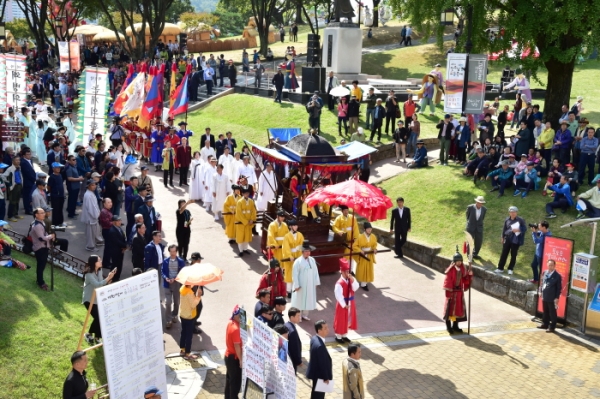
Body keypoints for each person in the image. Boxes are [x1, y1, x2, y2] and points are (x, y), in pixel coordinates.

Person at [82, 255, 116, 344]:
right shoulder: (89, 274)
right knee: (98, 317)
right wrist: (108, 278)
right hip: (89, 300)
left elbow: (101, 284)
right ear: (94, 263)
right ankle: (88, 334)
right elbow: (97, 284)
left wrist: (108, 281)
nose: (101, 261)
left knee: (101, 318)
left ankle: (97, 337)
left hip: (97, 300)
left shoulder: (99, 271)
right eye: (99, 260)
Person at [443, 249, 473, 334]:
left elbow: (466, 279)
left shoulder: (463, 269)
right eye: (457, 261)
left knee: (458, 310)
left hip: (459, 293)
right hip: (451, 293)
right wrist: (449, 293)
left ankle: (455, 326)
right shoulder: (450, 270)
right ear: (454, 261)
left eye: (460, 261)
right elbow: (447, 281)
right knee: (449, 311)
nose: (459, 263)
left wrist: (470, 275)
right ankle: (448, 327)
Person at [291, 240, 321, 321]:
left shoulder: (312, 260)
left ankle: (305, 314)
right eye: (306, 251)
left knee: (309, 298)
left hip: (310, 284)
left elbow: (315, 271)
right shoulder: (298, 262)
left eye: (309, 251)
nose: (308, 253)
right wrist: (296, 285)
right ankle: (299, 315)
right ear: (302, 251)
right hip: (301, 284)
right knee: (300, 299)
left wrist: (316, 282)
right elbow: (295, 274)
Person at [333, 259, 359, 344]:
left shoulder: (349, 280)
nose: (347, 273)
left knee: (347, 319)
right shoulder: (339, 283)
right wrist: (344, 305)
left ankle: (344, 334)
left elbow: (355, 287)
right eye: (345, 271)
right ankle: (338, 336)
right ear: (341, 271)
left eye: (348, 271)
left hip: (350, 302)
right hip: (343, 304)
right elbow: (338, 295)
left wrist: (353, 279)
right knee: (341, 319)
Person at [495, 206, 526, 275]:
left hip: (516, 239)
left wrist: (519, 230)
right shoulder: (507, 220)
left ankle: (510, 268)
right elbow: (504, 229)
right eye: (511, 212)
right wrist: (502, 237)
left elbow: (524, 228)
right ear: (509, 213)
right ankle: (500, 268)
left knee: (513, 254)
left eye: (514, 212)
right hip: (507, 238)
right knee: (504, 253)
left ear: (516, 212)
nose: (513, 213)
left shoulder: (520, 220)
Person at [306, 320, 333, 399]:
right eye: (325, 328)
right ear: (319, 330)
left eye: (327, 327)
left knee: (315, 393)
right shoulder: (320, 346)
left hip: (315, 373)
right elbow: (322, 364)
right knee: (319, 396)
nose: (328, 329)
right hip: (320, 375)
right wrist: (326, 377)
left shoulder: (314, 338)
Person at [30, 208, 55, 290]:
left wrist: (51, 237)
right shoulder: (37, 225)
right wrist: (51, 236)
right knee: (41, 266)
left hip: (44, 247)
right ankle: (40, 282)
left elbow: (45, 233)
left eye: (44, 212)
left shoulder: (42, 222)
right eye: (41, 213)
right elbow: (41, 238)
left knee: (42, 265)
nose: (44, 214)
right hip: (40, 248)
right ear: (36, 215)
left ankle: (40, 280)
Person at [163, 244, 185, 329]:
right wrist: (166, 278)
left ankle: (174, 315)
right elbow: (163, 272)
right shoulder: (165, 261)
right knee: (168, 302)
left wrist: (175, 279)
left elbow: (182, 272)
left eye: (174, 251)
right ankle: (168, 320)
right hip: (167, 284)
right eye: (171, 251)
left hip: (176, 284)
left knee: (176, 302)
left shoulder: (180, 261)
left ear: (176, 251)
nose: (172, 253)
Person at [179, 280, 202, 360]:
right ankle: (187, 353)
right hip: (189, 316)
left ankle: (182, 349)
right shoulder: (189, 293)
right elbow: (193, 305)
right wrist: (198, 296)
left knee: (183, 332)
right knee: (189, 335)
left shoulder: (182, 289)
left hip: (182, 315)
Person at [224, 305, 243, 399]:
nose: (241, 318)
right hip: (233, 358)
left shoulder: (230, 324)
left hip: (228, 355)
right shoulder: (236, 329)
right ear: (235, 316)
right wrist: (241, 360)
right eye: (240, 316)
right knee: (235, 384)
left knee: (229, 381)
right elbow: (237, 346)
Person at [538, 259, 562, 333]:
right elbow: (542, 283)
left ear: (554, 266)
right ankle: (545, 323)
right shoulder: (545, 272)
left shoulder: (557, 276)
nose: (550, 266)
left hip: (552, 297)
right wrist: (540, 291)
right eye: (549, 265)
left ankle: (552, 326)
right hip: (545, 295)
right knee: (545, 311)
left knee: (552, 312)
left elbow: (559, 288)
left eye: (551, 265)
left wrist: (557, 297)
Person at [354, 222, 377, 290]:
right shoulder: (360, 237)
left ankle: (365, 281)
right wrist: (360, 251)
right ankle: (363, 284)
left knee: (369, 268)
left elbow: (374, 244)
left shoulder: (373, 236)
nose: (369, 230)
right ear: (365, 229)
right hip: (363, 255)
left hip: (369, 254)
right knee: (362, 269)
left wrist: (374, 249)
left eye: (370, 229)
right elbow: (355, 246)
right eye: (368, 229)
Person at [81, 180, 102, 252]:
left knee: (94, 232)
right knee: (90, 233)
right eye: (92, 185)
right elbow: (91, 208)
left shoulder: (90, 193)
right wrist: (96, 215)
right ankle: (90, 246)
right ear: (88, 186)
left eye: (95, 185)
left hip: (92, 217)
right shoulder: (89, 195)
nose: (94, 186)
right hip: (91, 217)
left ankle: (95, 242)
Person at [235, 187, 256, 256]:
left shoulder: (251, 201)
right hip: (241, 222)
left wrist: (252, 219)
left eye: (248, 193)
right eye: (245, 193)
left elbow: (253, 211)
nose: (247, 194)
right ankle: (241, 250)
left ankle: (245, 249)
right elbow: (239, 213)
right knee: (241, 236)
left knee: (247, 236)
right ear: (243, 194)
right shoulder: (239, 202)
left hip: (249, 222)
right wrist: (246, 221)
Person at [106, 215, 127, 282]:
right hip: (115, 251)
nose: (119, 222)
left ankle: (117, 277)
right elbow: (117, 242)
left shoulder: (119, 228)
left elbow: (123, 238)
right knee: (115, 265)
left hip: (120, 250)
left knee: (119, 265)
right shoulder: (112, 231)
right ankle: (112, 279)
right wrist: (125, 246)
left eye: (120, 220)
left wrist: (124, 247)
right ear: (113, 222)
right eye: (118, 221)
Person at [2, 155, 23, 222]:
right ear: (13, 161)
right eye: (16, 160)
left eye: (19, 160)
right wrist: (9, 183)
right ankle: (10, 215)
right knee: (12, 201)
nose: (18, 161)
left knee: (17, 201)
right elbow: (3, 176)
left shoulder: (19, 168)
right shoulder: (10, 169)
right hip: (14, 187)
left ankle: (15, 213)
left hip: (19, 186)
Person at [285, 307, 303, 373]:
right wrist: (299, 361)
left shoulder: (286, 324)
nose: (300, 317)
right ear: (292, 317)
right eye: (298, 316)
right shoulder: (292, 331)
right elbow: (295, 347)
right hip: (292, 360)